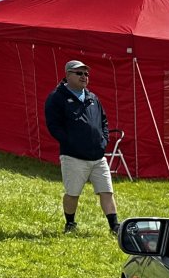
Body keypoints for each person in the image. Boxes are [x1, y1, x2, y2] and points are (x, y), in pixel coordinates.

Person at [43, 59, 119, 234]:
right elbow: (53, 126)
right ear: (68, 75)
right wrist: (71, 142)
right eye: (79, 73)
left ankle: (114, 226)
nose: (84, 77)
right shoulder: (57, 97)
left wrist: (103, 140)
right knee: (73, 193)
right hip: (73, 156)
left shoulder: (93, 98)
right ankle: (70, 223)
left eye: (86, 74)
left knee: (107, 191)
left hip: (98, 156)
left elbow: (104, 121)